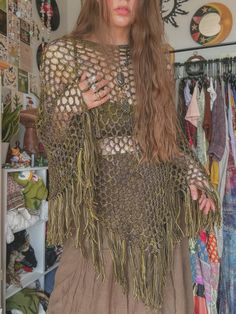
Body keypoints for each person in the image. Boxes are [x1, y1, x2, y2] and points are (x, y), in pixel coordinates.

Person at [37, 1, 220, 313]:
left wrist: (193, 172)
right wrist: (70, 104)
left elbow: (168, 136)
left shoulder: (156, 56)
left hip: (156, 214)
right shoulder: (63, 53)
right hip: (98, 218)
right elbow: (51, 138)